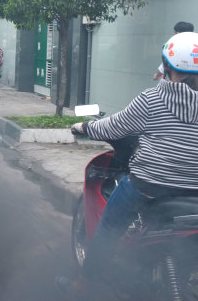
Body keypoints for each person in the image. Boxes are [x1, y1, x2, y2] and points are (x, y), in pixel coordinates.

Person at [56, 31, 198, 300]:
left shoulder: (153, 99)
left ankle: (84, 287)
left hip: (149, 186)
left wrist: (83, 126)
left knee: (108, 228)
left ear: (166, 67)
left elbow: (113, 126)